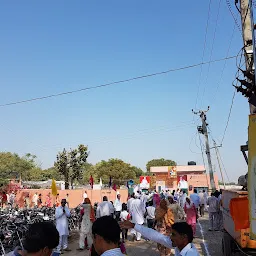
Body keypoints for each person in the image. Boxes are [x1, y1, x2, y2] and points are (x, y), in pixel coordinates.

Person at [120, 221, 200, 256]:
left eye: (174, 235)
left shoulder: (191, 254)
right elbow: (156, 236)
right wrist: (134, 226)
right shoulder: (179, 246)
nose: (171, 237)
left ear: (184, 237)